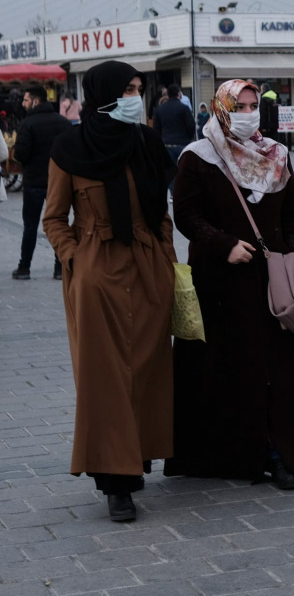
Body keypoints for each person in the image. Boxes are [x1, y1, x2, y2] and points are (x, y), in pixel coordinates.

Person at [42, 60, 177, 522]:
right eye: (127, 90)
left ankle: (134, 463)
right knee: (105, 379)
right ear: (103, 94)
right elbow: (54, 217)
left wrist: (164, 255)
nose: (135, 97)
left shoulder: (147, 142)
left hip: (146, 270)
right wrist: (77, 259)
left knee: (143, 371)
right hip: (96, 273)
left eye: (139, 89)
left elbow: (160, 206)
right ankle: (115, 483)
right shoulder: (69, 148)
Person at [166, 80, 294, 489]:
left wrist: (292, 255)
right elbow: (187, 216)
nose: (248, 113)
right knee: (226, 368)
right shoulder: (199, 157)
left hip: (272, 283)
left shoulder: (276, 155)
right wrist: (223, 244)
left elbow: (293, 212)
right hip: (220, 285)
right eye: (239, 106)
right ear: (221, 108)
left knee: (276, 370)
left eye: (252, 105)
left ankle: (278, 452)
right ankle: (228, 454)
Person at [12, 86, 72, 280]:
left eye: (26, 100)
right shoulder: (63, 123)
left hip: (33, 182)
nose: (23, 103)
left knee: (30, 225)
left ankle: (24, 268)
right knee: (59, 222)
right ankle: (60, 267)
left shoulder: (27, 124)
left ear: (36, 101)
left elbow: (20, 154)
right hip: (58, 182)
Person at [153, 84, 196, 181]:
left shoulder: (160, 110)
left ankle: (173, 193)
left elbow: (156, 129)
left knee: (170, 172)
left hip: (166, 145)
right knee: (184, 171)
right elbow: (191, 125)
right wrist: (189, 138)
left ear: (167, 95)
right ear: (179, 94)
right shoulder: (184, 108)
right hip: (182, 144)